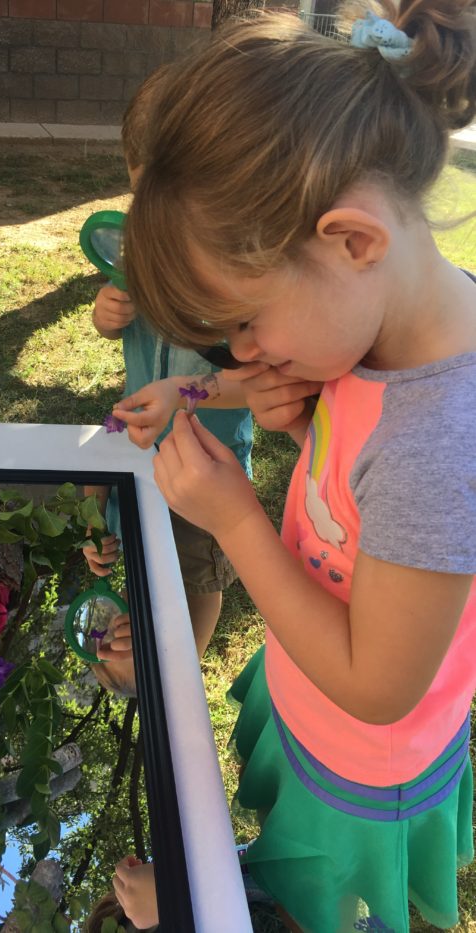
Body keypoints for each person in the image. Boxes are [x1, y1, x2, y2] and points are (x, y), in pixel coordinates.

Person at [120, 3, 476, 931]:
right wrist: (200, 398)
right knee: (283, 830)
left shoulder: (438, 450)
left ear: (351, 240)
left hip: (366, 754)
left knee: (313, 894)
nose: (239, 351)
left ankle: (233, 899)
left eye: (244, 322)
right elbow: (318, 386)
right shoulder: (378, 323)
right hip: (307, 694)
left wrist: (235, 518)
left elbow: (377, 680)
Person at [86, 65, 319, 664]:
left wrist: (187, 391)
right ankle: (144, 634)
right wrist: (108, 310)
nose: (163, 225)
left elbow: (264, 381)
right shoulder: (143, 246)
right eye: (147, 201)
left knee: (196, 566)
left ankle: (182, 659)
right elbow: (119, 317)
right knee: (135, 541)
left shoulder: (251, 278)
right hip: (140, 445)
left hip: (208, 458)